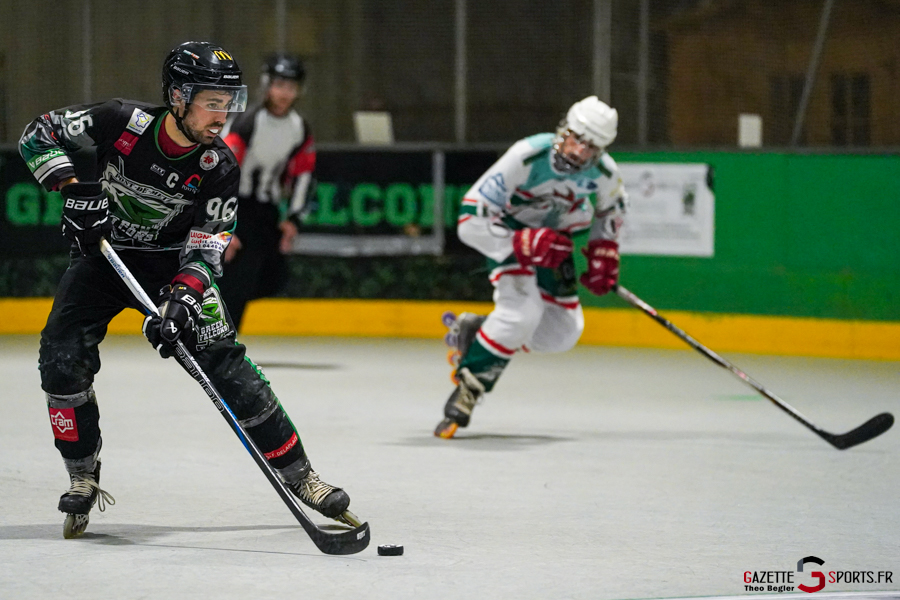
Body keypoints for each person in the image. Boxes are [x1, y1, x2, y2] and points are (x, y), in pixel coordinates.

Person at [19, 41, 358, 538]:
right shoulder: (123, 122)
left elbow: (207, 247)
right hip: (104, 259)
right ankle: (82, 475)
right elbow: (38, 134)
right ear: (178, 96)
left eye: (229, 103)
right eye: (211, 103)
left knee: (226, 364)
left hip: (170, 268)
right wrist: (73, 191)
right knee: (60, 359)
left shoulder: (218, 165)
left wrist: (180, 302)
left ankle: (302, 476)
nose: (222, 116)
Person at [434, 96, 628, 439]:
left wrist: (605, 252)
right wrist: (519, 243)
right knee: (521, 313)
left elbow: (611, 211)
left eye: (591, 147)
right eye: (576, 139)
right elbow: (468, 220)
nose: (579, 152)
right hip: (510, 237)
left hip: (554, 244)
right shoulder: (526, 155)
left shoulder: (605, 173)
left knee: (563, 333)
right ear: (564, 130)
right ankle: (470, 386)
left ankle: (480, 333)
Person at [218, 53, 315, 331]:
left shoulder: (299, 127)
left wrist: (293, 220)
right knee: (240, 276)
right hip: (237, 207)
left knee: (274, 277)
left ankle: (210, 312)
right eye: (279, 85)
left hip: (266, 211)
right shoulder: (247, 122)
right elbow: (221, 171)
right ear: (267, 85)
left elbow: (304, 175)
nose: (284, 93)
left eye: (291, 87)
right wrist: (223, 226)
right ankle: (221, 340)